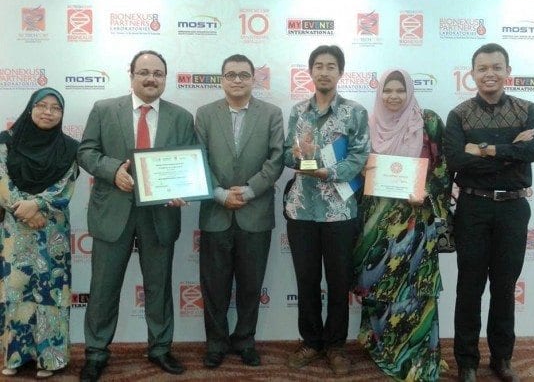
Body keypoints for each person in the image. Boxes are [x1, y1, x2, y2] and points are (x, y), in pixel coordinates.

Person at [77, 50, 196, 382]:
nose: (150, 78)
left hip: (160, 215)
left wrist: (181, 188)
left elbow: (188, 163)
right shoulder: (104, 110)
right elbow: (86, 151)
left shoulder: (181, 117)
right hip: (112, 211)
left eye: (158, 73)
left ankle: (160, 349)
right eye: (144, 72)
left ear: (165, 79)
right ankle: (96, 352)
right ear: (130, 75)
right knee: (103, 287)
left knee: (159, 286)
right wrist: (113, 170)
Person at [443, 43, 534, 382]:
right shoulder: (459, 115)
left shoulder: (527, 108)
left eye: (496, 67)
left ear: (507, 71)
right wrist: (511, 151)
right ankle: (467, 363)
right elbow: (457, 161)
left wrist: (484, 149)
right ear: (471, 74)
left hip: (513, 209)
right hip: (473, 208)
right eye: (483, 68)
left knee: (505, 288)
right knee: (469, 288)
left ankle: (501, 359)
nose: (490, 73)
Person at [352, 69, 451, 381]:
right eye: (387, 91)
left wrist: (427, 192)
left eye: (399, 91)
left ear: (409, 92)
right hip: (376, 222)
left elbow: (444, 168)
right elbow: (356, 171)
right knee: (379, 283)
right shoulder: (368, 125)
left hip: (416, 220)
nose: (393, 97)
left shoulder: (428, 122)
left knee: (415, 287)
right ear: (380, 93)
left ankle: (417, 350)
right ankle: (384, 346)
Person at [284, 45, 369, 376]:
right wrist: (298, 158)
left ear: (340, 72)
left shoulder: (354, 112)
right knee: (306, 280)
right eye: (318, 65)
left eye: (330, 66)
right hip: (302, 210)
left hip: (339, 213)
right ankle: (311, 341)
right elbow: (287, 156)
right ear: (310, 71)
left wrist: (328, 173)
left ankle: (335, 345)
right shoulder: (297, 112)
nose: (324, 71)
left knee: (338, 282)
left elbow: (360, 156)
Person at [195, 54, 284, 368]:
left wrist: (248, 191)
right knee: (214, 286)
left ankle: (245, 340)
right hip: (216, 213)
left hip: (255, 212)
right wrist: (219, 194)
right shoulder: (204, 115)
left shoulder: (272, 114)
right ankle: (216, 344)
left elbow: (275, 160)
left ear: (253, 79)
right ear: (221, 79)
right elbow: (199, 160)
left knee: (250, 285)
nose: (237, 80)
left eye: (243, 75)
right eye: (230, 74)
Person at [0, 88, 79, 379]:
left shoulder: (69, 147)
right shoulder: (5, 141)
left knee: (50, 293)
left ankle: (51, 358)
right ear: (30, 108)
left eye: (55, 108)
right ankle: (15, 356)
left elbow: (65, 186)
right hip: (14, 230)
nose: (48, 112)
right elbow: (1, 180)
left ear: (61, 114)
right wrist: (23, 209)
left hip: (52, 231)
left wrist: (38, 206)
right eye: (41, 105)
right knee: (15, 291)